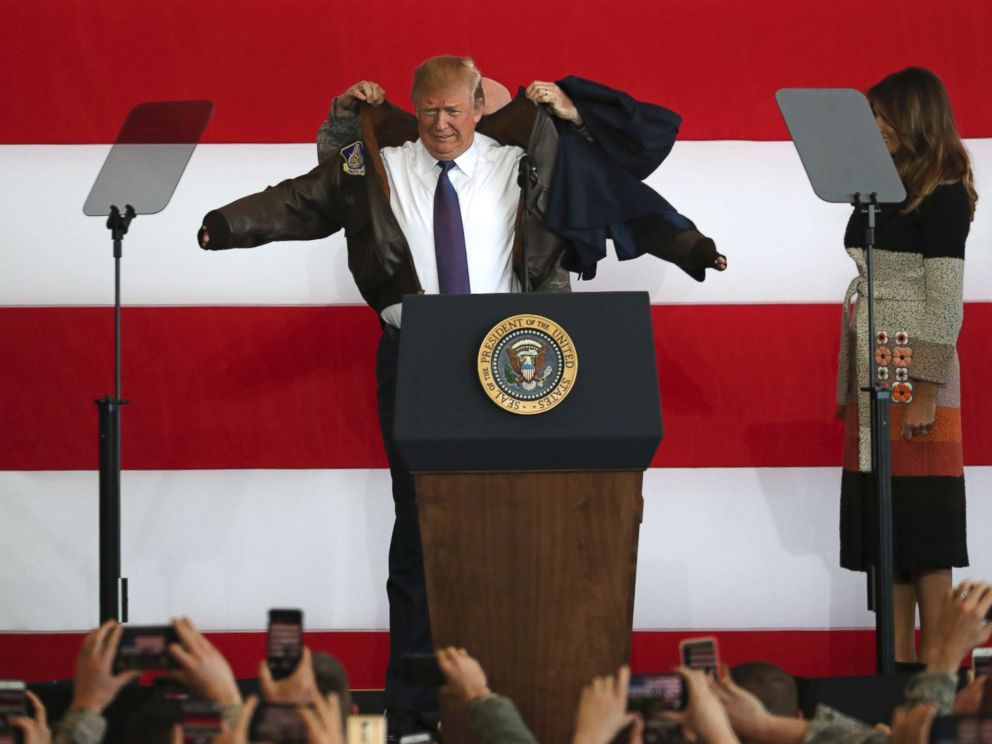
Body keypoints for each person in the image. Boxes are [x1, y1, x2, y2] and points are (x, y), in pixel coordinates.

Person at [197, 54, 726, 732]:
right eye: (428, 110)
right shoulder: (377, 164)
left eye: (454, 110)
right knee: (422, 538)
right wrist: (225, 226)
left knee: (529, 528)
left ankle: (526, 701)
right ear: (414, 108)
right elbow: (299, 201)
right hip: (417, 359)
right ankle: (416, 713)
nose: (441, 124)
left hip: (517, 361)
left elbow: (629, 187)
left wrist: (689, 245)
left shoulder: (528, 161)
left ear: (478, 106)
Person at [835, 66, 978, 664]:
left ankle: (940, 682)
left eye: (883, 115)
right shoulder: (885, 187)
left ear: (914, 118)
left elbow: (945, 300)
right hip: (873, 372)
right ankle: (892, 685)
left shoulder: (943, 192)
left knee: (925, 536)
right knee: (885, 544)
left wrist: (923, 386)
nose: (875, 127)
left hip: (913, 373)